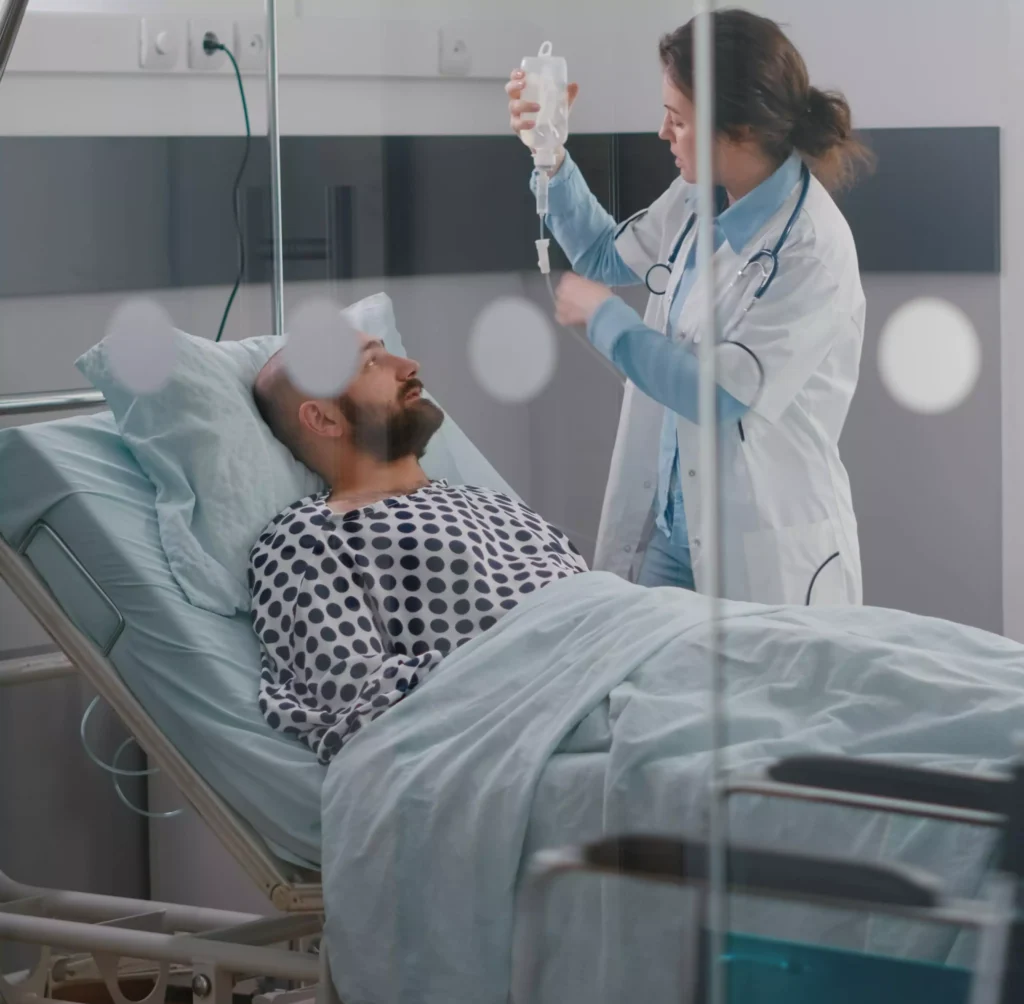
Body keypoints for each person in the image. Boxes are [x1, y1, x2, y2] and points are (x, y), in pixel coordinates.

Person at [506, 9, 873, 606]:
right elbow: (604, 254)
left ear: (741, 131)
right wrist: (549, 154)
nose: (662, 133)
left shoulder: (811, 249)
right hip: (671, 531)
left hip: (760, 543)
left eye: (677, 119)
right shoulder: (698, 195)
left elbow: (718, 394)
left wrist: (607, 320)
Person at [249, 334, 588, 763]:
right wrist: (537, 675)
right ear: (323, 418)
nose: (410, 365)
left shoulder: (491, 501)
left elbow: (595, 606)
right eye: (371, 363)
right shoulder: (307, 537)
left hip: (629, 656)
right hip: (546, 714)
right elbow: (349, 696)